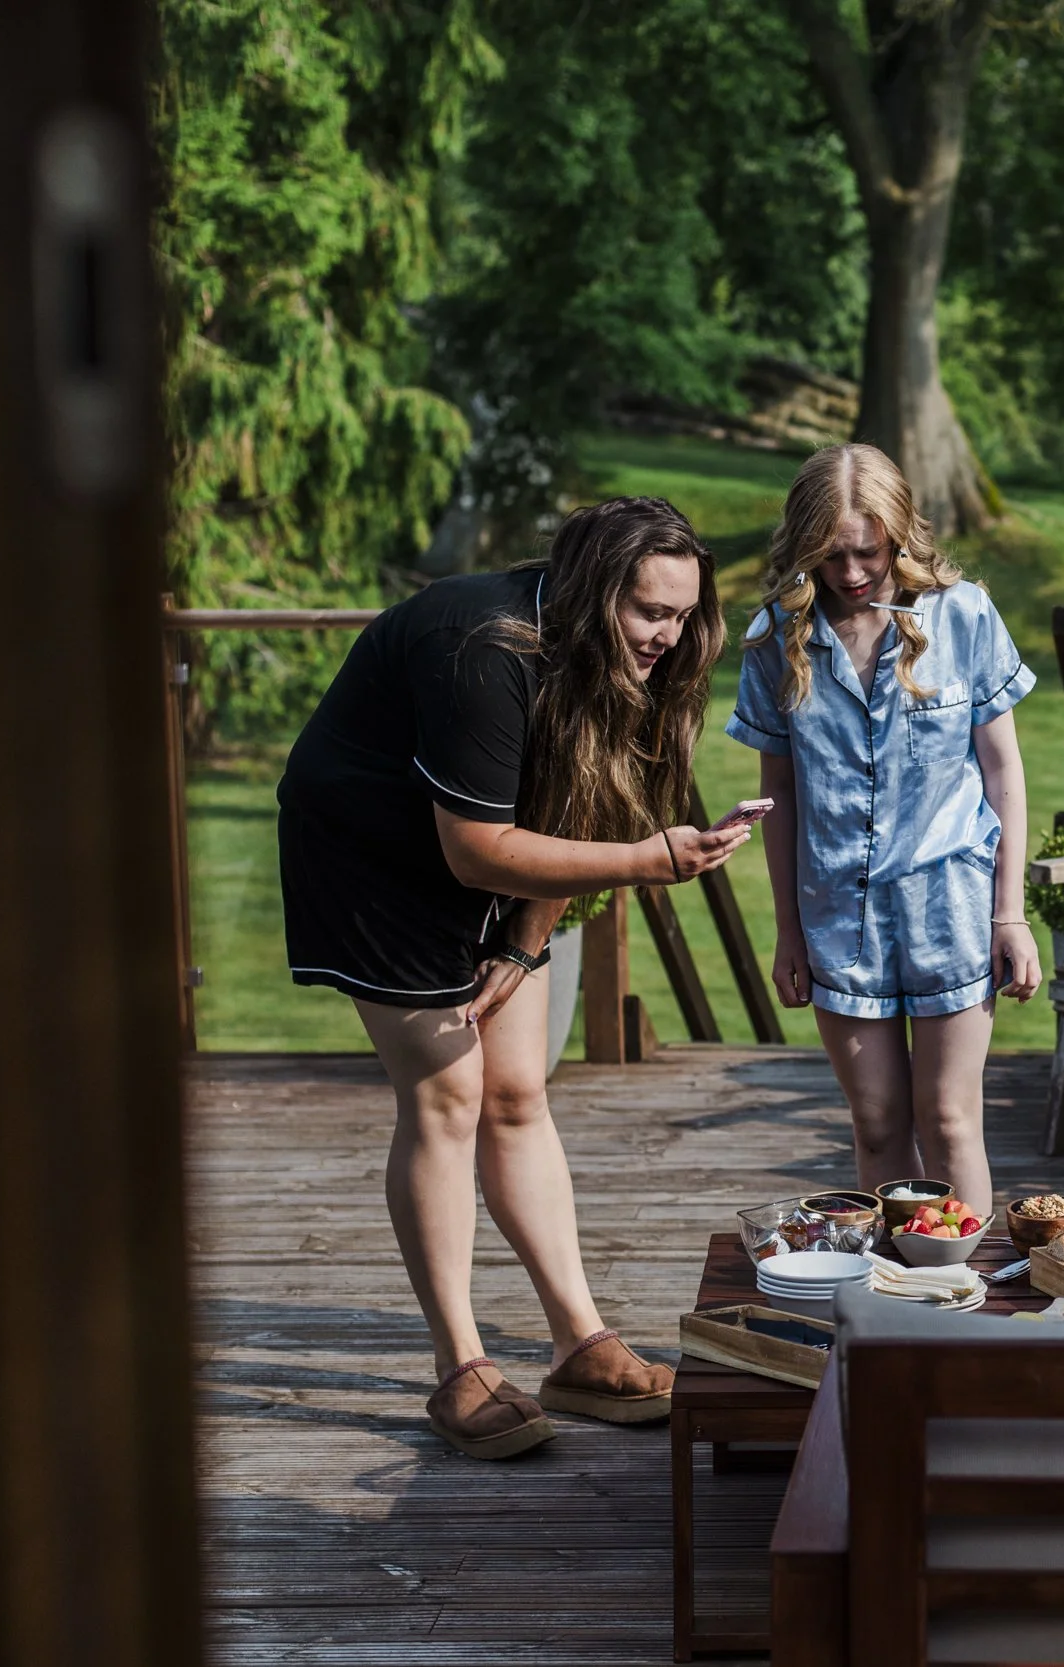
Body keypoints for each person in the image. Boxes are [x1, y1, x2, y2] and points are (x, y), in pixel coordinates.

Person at [276, 496, 753, 1458]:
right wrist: (652, 861)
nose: (668, 634)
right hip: (374, 855)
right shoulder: (485, 650)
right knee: (450, 1090)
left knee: (520, 1087)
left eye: (683, 613)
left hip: (492, 844)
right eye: (648, 611)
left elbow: (583, 804)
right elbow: (477, 850)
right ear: (589, 591)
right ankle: (459, 1365)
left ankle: (579, 1342)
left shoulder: (638, 662)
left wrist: (524, 943)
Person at [728, 444, 1041, 1215]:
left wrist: (1011, 916)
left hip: (952, 911)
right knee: (877, 1124)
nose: (853, 571)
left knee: (948, 1120)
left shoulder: (963, 614)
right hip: (839, 917)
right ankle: (903, 1300)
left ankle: (961, 1301)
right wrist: (789, 935)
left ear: (900, 534)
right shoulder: (776, 638)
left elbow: (1002, 771)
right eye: (832, 554)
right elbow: (781, 797)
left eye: (869, 551)